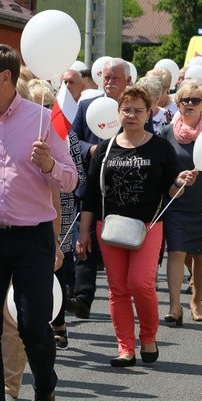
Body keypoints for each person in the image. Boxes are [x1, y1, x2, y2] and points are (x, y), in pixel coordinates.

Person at [0, 44, 77, 401]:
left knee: (33, 329)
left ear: (5, 77)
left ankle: (45, 386)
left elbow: (72, 179)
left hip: (33, 237)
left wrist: (48, 167)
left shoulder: (42, 119)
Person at [77, 85, 197, 367]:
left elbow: (171, 189)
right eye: (126, 109)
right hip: (110, 227)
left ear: (148, 113)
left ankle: (148, 336)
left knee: (140, 284)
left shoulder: (160, 147)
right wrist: (84, 231)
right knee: (118, 289)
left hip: (149, 226)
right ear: (118, 112)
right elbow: (92, 193)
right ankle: (125, 348)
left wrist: (181, 182)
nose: (131, 115)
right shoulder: (105, 149)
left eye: (137, 110)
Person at [69, 58, 136, 320]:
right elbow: (73, 138)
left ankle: (125, 296)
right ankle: (83, 298)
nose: (108, 82)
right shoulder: (87, 104)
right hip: (90, 186)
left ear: (128, 81)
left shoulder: (136, 107)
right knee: (84, 243)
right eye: (106, 77)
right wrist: (91, 150)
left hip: (124, 189)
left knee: (122, 246)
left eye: (115, 78)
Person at [160, 80, 202, 324]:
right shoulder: (166, 133)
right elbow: (161, 169)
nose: (189, 104)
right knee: (176, 252)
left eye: (195, 100)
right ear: (178, 103)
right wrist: (176, 179)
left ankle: (196, 299)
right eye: (185, 100)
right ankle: (175, 307)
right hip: (176, 202)